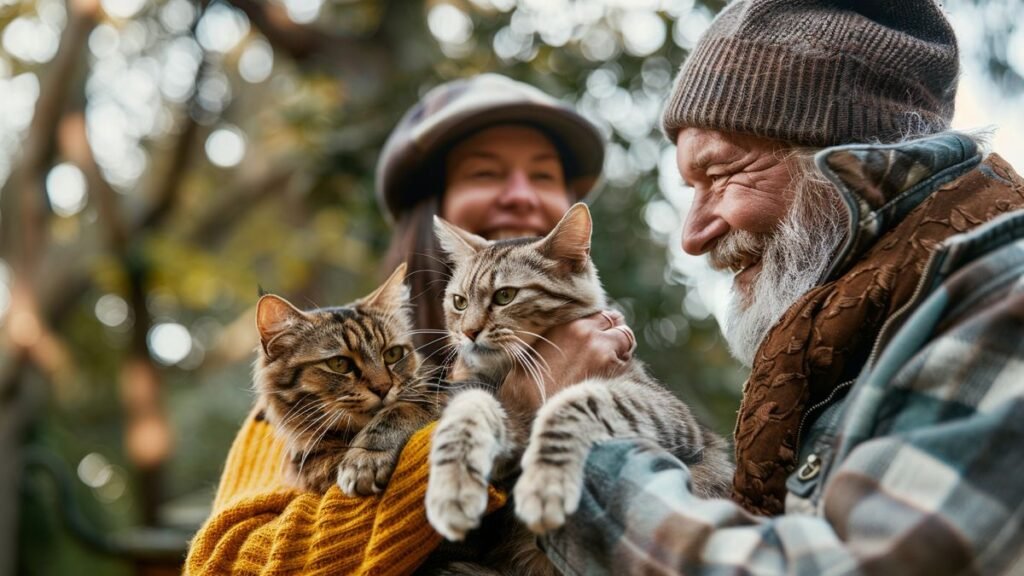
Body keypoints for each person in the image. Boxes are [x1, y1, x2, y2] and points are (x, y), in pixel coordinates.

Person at [523, 0, 1024, 574]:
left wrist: (582, 439)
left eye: (722, 173)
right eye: (691, 187)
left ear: (850, 159)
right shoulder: (848, 338)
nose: (693, 234)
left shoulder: (1005, 293)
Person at [184, 74, 635, 574]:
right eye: (486, 174)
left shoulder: (616, 372)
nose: (521, 196)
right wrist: (512, 409)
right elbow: (224, 567)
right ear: (431, 216)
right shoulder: (302, 404)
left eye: (544, 177)